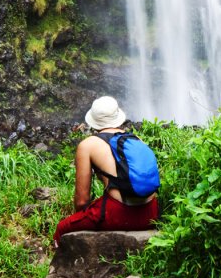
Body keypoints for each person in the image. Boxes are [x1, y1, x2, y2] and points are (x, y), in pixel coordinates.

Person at [52, 96, 160, 245]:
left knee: (62, 228)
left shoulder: (88, 145)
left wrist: (80, 221)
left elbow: (82, 201)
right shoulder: (136, 140)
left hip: (118, 213)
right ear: (118, 118)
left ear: (94, 120)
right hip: (151, 212)